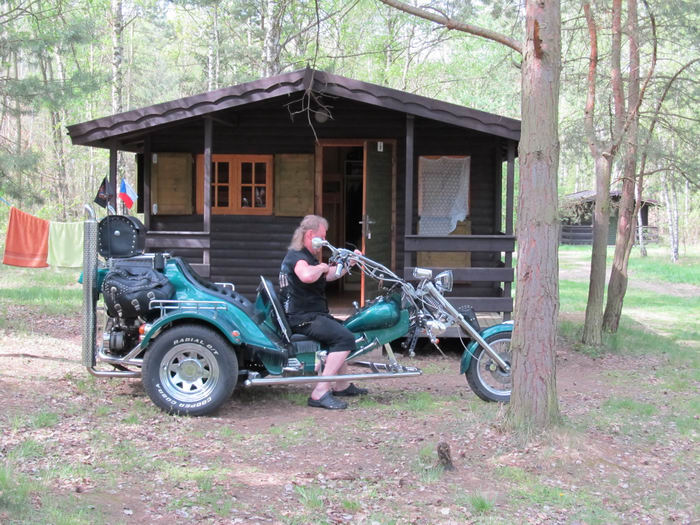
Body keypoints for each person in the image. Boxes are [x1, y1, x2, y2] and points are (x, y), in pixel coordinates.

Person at [279, 215, 367, 410]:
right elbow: (306, 275)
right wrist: (320, 266)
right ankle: (319, 392)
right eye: (323, 236)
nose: (325, 241)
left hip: (312, 315)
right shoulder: (297, 257)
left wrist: (350, 263)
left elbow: (329, 275)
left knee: (343, 330)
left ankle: (341, 386)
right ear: (311, 235)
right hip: (303, 318)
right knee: (344, 338)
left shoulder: (307, 257)